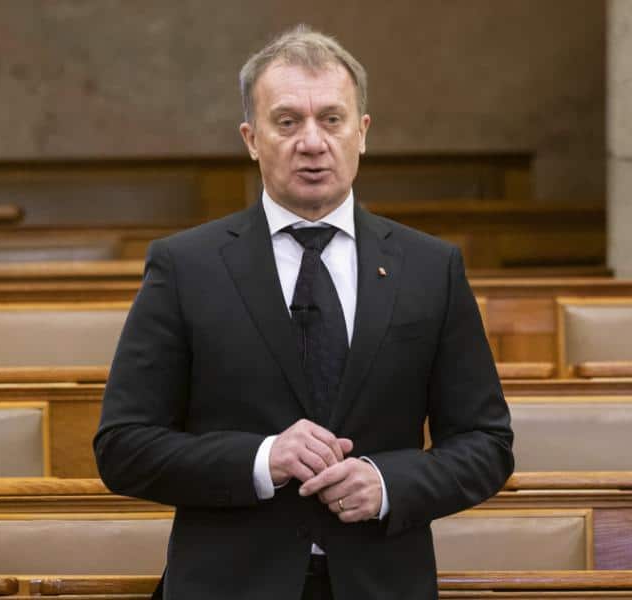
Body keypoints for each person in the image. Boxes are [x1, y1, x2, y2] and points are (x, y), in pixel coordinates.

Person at [94, 24, 513, 600]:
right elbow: (123, 447)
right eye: (287, 121)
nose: (312, 142)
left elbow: (486, 443)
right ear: (251, 138)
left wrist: (388, 483)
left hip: (379, 582)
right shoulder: (185, 266)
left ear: (362, 133)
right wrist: (262, 458)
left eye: (332, 119)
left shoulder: (430, 267)